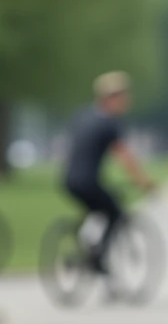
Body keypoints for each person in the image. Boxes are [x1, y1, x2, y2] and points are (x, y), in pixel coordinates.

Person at [62, 71, 156, 273]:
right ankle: (98, 258)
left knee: (99, 209)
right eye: (123, 96)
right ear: (111, 98)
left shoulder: (84, 116)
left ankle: (89, 246)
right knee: (115, 213)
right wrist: (143, 182)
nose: (126, 100)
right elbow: (124, 156)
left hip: (70, 180)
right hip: (87, 182)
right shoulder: (109, 123)